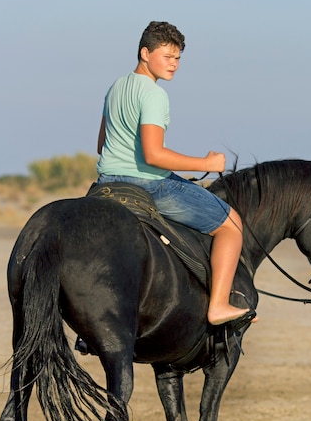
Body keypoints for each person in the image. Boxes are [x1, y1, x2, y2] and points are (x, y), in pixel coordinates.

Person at [96, 21, 256, 328]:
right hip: (148, 185)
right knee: (231, 224)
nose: (174, 64)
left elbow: (102, 144)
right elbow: (153, 155)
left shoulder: (115, 87)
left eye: (178, 58)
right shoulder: (154, 95)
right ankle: (219, 305)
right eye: (167, 56)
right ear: (145, 53)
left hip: (107, 184)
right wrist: (206, 164)